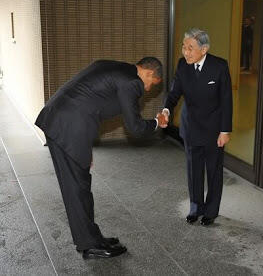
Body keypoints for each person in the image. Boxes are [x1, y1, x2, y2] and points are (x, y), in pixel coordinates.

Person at [35, 57, 164, 259]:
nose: (146, 90)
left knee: (80, 184)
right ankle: (89, 245)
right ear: (149, 73)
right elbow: (136, 128)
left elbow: (88, 100)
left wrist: (85, 147)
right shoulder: (132, 82)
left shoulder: (114, 66)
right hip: (68, 127)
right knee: (76, 188)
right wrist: (157, 122)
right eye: (151, 85)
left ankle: (92, 237)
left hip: (64, 122)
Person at [161, 28, 233, 226]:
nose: (185, 52)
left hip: (213, 129)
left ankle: (211, 211)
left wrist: (225, 131)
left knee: (214, 171)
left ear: (204, 49)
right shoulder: (183, 65)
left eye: (190, 48)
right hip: (191, 126)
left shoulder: (219, 66)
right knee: (194, 170)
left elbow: (226, 100)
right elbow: (175, 92)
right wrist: (166, 109)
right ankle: (196, 207)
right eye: (184, 47)